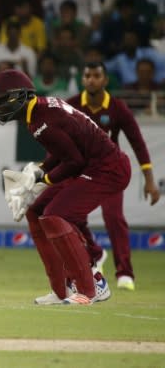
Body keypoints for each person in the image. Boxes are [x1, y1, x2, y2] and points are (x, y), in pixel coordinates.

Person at [0, 69, 124, 305]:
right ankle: (61, 291)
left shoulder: (41, 120)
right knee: (36, 210)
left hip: (107, 169)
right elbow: (63, 153)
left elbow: (73, 161)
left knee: (55, 214)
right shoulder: (39, 112)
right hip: (91, 167)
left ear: (18, 96)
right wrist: (40, 170)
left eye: (0, 100)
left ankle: (92, 288)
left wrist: (42, 181)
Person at [66, 62, 160, 290]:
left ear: (105, 80)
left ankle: (125, 273)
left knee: (114, 218)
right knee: (72, 218)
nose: (91, 80)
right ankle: (96, 254)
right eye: (87, 75)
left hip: (110, 172)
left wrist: (149, 180)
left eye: (96, 76)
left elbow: (138, 144)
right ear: (83, 79)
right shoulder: (72, 106)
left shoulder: (117, 108)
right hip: (81, 171)